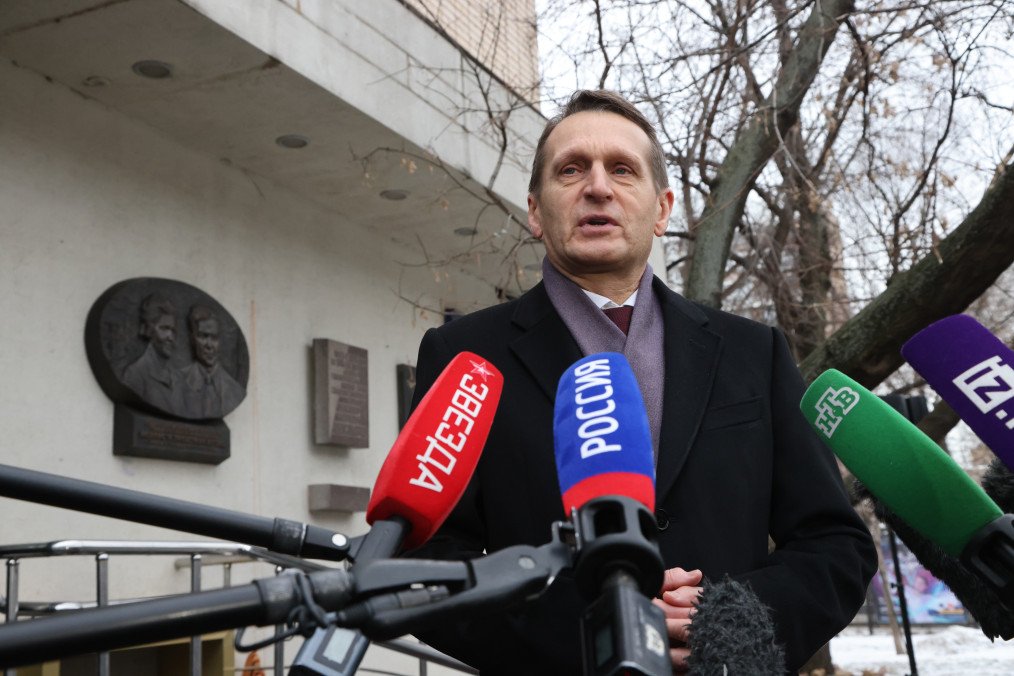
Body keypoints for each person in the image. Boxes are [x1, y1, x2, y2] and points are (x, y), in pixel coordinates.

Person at [407, 90, 877, 674]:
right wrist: (593, 629)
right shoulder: (464, 356)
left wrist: (737, 619)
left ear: (661, 209)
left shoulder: (754, 353)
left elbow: (837, 546)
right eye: (571, 169)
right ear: (535, 210)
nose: (598, 187)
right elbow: (427, 562)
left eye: (622, 170)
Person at [180, 305, 245, 419]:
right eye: (203, 336)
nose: (209, 345)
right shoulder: (178, 381)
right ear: (192, 339)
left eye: (214, 338)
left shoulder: (235, 391)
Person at [122, 293, 183, 414]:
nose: (170, 337)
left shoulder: (178, 377)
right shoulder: (135, 374)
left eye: (173, 330)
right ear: (150, 330)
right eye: (164, 328)